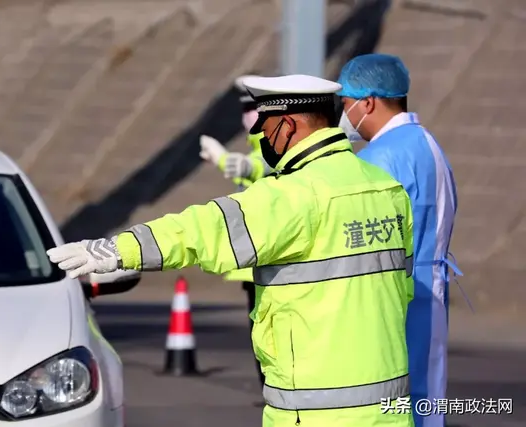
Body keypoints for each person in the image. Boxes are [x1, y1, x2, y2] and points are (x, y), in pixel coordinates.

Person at [48, 75, 415, 427]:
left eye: (265, 129)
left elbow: (202, 229)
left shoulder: (295, 197)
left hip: (319, 412)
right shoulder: (386, 189)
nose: (263, 139)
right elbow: (402, 289)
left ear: (287, 126)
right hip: (390, 410)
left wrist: (115, 249)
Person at [337, 53, 459, 427]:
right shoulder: (428, 143)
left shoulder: (377, 160)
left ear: (367, 102)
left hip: (396, 296)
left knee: (393, 403)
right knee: (428, 397)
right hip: (432, 288)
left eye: (346, 105)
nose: (344, 116)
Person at [198, 74, 273, 389]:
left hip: (268, 258)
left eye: (252, 109)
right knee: (263, 333)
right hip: (254, 260)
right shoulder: (256, 144)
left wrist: (227, 160)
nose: (247, 117)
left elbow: (261, 165)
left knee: (270, 333)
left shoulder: (268, 145)